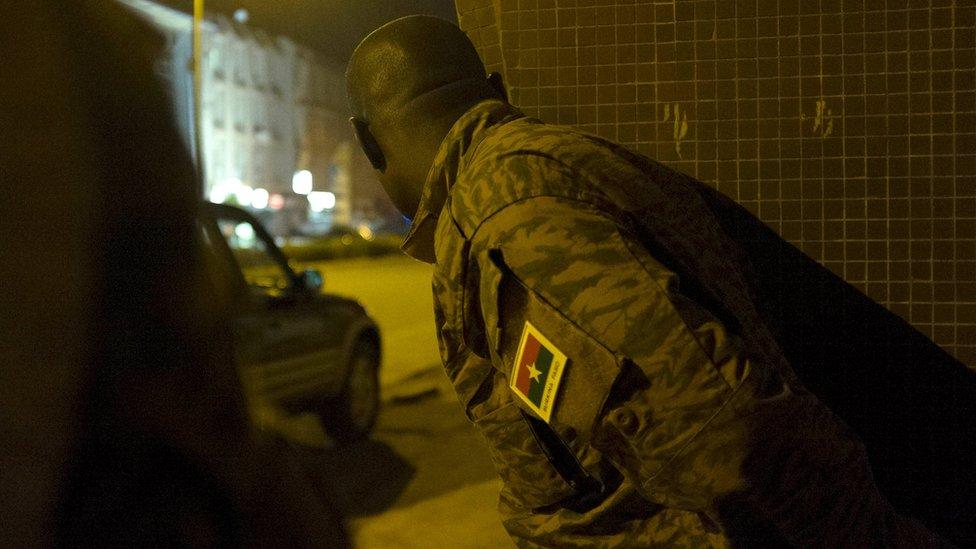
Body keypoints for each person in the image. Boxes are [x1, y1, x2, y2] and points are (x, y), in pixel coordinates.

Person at [346, 14, 954, 547]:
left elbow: (721, 435)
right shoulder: (529, 178)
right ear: (497, 92)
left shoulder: (505, 215)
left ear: (368, 140)